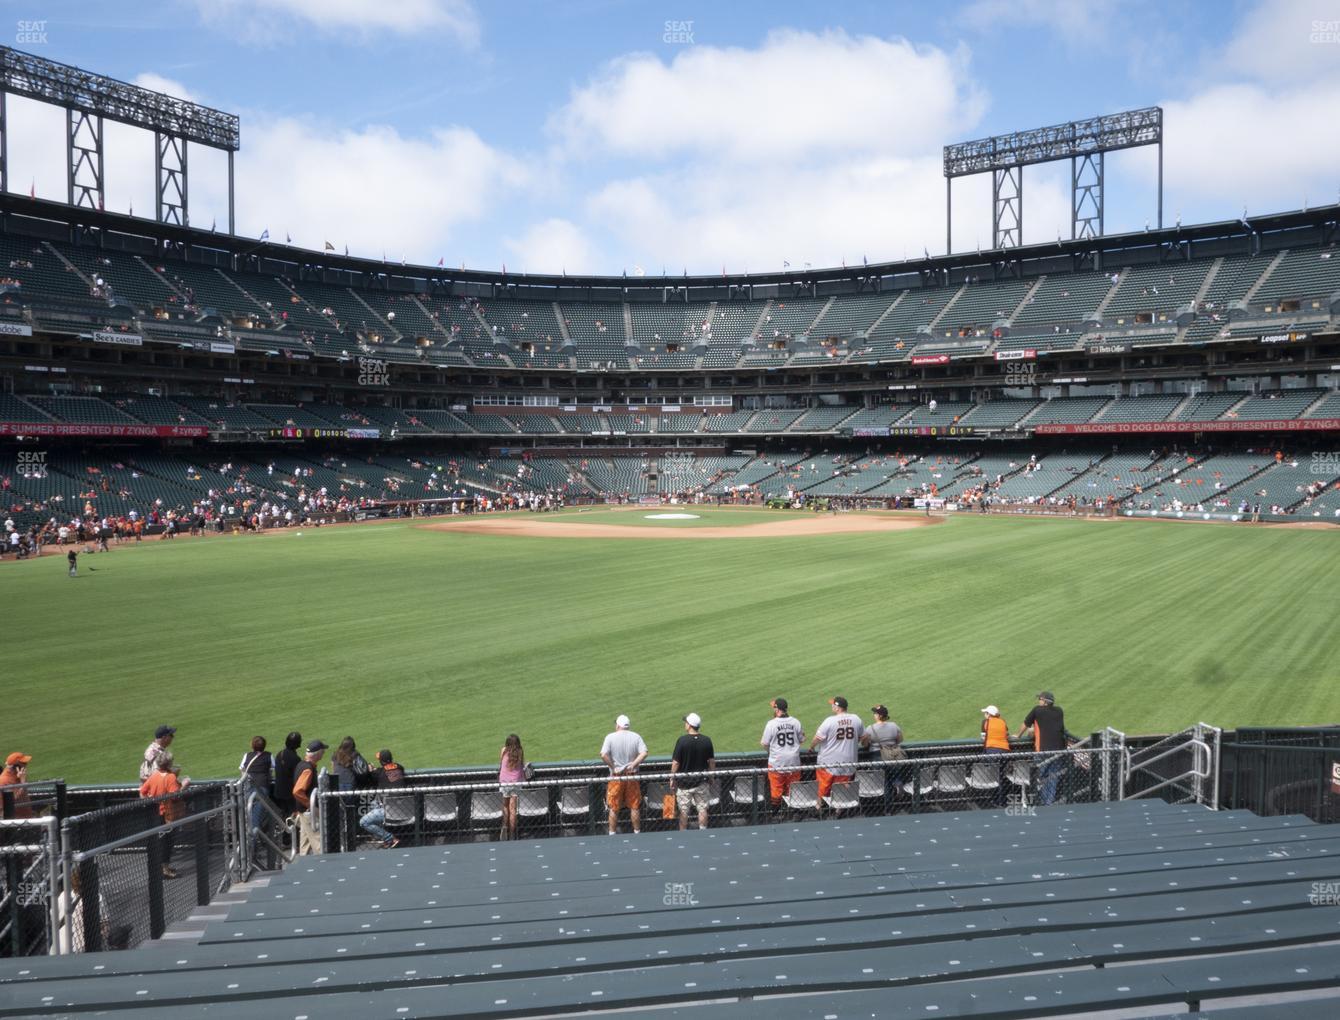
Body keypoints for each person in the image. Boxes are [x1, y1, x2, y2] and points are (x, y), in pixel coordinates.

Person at [1017, 691, 1074, 806]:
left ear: (1044, 702)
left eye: (1040, 699)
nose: (1039, 701)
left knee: (1038, 777)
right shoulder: (1059, 711)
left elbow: (1026, 724)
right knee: (1052, 778)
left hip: (1043, 750)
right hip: (1058, 750)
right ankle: (1048, 803)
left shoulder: (1037, 710)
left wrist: (1018, 736)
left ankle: (1037, 803)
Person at [139, 754, 189, 878]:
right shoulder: (171, 777)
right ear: (169, 764)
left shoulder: (154, 776)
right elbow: (175, 797)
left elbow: (142, 792)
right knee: (167, 841)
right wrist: (184, 785)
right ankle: (164, 870)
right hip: (168, 814)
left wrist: (150, 802)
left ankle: (163, 868)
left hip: (156, 813)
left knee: (162, 841)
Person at [810, 696, 863, 805]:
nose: (831, 706)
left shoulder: (829, 721)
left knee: (823, 788)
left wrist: (811, 747)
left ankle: (819, 808)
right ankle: (839, 810)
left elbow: (817, 739)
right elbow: (864, 737)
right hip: (849, 763)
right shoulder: (856, 719)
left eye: (833, 704)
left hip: (828, 764)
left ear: (838, 707)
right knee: (843, 791)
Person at [600, 715, 648, 835]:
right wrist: (633, 764)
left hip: (616, 777)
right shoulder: (636, 737)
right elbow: (644, 753)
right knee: (634, 806)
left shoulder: (610, 737)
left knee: (614, 807)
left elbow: (603, 754)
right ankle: (637, 832)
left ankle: (612, 833)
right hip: (632, 776)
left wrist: (613, 767)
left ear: (618, 725)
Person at [670, 712, 715, 830]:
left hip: (684, 783)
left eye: (686, 722)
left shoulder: (682, 741)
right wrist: (711, 777)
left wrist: (672, 778)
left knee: (684, 811)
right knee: (702, 808)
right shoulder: (706, 740)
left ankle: (683, 834)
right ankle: (703, 831)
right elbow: (711, 762)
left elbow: (676, 763)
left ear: (689, 725)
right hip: (701, 781)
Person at [760, 698, 804, 811]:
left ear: (777, 709)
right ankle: (794, 813)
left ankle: (776, 814)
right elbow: (802, 739)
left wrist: (771, 752)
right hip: (794, 762)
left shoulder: (771, 724)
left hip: (777, 762)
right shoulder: (796, 722)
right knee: (793, 790)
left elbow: (764, 744)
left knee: (776, 790)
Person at [359, 749, 406, 849]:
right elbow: (390, 772)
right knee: (374, 803)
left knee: (363, 822)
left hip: (388, 810)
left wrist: (371, 770)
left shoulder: (379, 772)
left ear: (381, 761)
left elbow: (371, 776)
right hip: (404, 808)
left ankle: (389, 838)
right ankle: (382, 836)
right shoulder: (400, 767)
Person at [291, 739, 328, 855]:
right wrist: (311, 806)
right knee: (320, 844)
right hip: (308, 813)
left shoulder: (301, 765)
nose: (323, 754)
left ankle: (304, 868)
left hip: (303, 812)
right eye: (322, 752)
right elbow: (297, 791)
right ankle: (326, 867)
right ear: (317, 753)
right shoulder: (308, 769)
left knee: (305, 846)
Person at [238, 736, 273, 857]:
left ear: (252, 746)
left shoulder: (247, 756)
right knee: (256, 819)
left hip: (249, 788)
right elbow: (273, 769)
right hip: (262, 788)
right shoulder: (269, 756)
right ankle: (252, 850)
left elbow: (242, 770)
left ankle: (252, 849)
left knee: (251, 818)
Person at [980, 705, 1011, 807]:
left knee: (993, 776)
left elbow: (983, 738)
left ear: (989, 714)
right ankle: (1002, 801)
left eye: (986, 713)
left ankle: (994, 800)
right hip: (1005, 751)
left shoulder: (985, 722)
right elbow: (1006, 734)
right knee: (1001, 776)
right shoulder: (1003, 721)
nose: (985, 715)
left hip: (992, 751)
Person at [498, 734, 527, 840]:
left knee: (505, 806)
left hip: (505, 782)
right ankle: (512, 833)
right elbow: (522, 764)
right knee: (513, 809)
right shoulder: (520, 751)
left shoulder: (504, 750)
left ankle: (504, 827)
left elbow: (500, 764)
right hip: (516, 783)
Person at [271, 732, 302, 820]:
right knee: (292, 817)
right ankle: (290, 833)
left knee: (283, 817)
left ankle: (285, 832)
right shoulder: (295, 758)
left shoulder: (279, 754)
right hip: (289, 793)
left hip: (279, 791)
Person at [0, 752, 34, 818]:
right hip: (14, 822)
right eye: (24, 764)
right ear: (16, 767)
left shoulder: (19, 776)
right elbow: (11, 803)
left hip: (25, 818)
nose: (26, 765)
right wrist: (23, 784)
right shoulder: (3, 781)